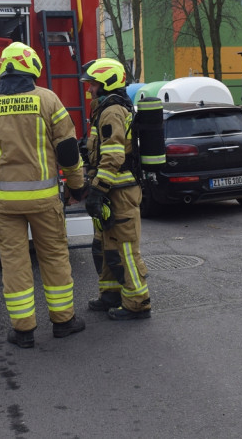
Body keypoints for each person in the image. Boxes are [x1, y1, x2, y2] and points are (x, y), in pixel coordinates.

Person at [0, 42, 88, 348]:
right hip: (44, 200)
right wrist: (77, 187)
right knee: (55, 258)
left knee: (14, 264)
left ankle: (23, 331)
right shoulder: (48, 100)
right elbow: (68, 150)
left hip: (4, 204)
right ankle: (63, 322)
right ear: (31, 67)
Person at [80, 58, 152, 320]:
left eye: (93, 84)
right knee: (105, 245)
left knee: (125, 251)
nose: (89, 89)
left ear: (107, 82)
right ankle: (110, 294)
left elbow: (113, 156)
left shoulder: (111, 111)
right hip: (111, 190)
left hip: (120, 192)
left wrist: (97, 190)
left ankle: (137, 303)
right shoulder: (103, 108)